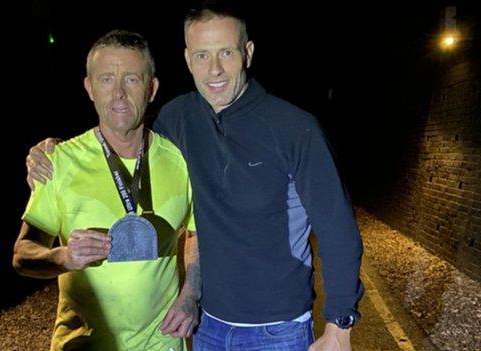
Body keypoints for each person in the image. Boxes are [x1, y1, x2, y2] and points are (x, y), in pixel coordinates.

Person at [26, 3, 364, 351]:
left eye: (226, 54)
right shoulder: (178, 118)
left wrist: (339, 324)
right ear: (188, 60)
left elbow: (338, 229)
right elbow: (124, 131)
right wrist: (53, 149)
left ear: (247, 53)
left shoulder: (295, 129)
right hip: (207, 328)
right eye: (202, 55)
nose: (214, 69)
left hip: (277, 330)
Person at [13, 29, 200, 351]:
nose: (118, 94)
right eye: (106, 80)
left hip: (162, 343)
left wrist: (190, 295)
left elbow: (197, 235)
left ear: (151, 89)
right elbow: (23, 253)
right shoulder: (59, 162)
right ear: (89, 88)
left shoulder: (180, 161)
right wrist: (63, 256)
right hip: (83, 344)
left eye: (131, 80)